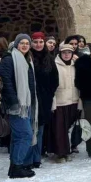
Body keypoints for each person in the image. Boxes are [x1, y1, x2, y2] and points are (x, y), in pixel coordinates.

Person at [0, 34, 37, 179]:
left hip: (26, 103)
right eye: (22, 43)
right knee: (25, 135)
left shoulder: (27, 59)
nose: (24, 45)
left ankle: (15, 166)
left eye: (27, 43)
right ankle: (17, 166)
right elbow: (4, 80)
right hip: (17, 104)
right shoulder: (9, 59)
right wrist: (13, 100)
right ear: (16, 44)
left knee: (19, 136)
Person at [30, 32, 58, 168]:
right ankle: (28, 157)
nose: (38, 45)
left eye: (41, 42)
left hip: (44, 99)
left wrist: (49, 94)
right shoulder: (27, 57)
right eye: (35, 42)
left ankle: (36, 157)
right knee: (29, 129)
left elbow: (55, 79)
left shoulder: (49, 58)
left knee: (40, 129)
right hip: (30, 98)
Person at [50, 44, 80, 163]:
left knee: (67, 127)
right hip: (60, 101)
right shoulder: (54, 65)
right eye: (64, 52)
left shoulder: (75, 66)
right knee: (60, 129)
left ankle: (67, 149)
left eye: (69, 52)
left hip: (73, 100)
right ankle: (61, 153)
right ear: (60, 53)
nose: (66, 55)